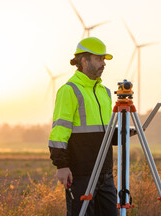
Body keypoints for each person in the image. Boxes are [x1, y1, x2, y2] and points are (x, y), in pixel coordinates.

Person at [48, 37, 118, 216]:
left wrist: (122, 134)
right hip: (81, 174)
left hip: (105, 173)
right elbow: (59, 133)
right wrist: (61, 166)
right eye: (99, 59)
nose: (104, 63)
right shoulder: (69, 90)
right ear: (84, 60)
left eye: (104, 59)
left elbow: (102, 132)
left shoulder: (105, 92)